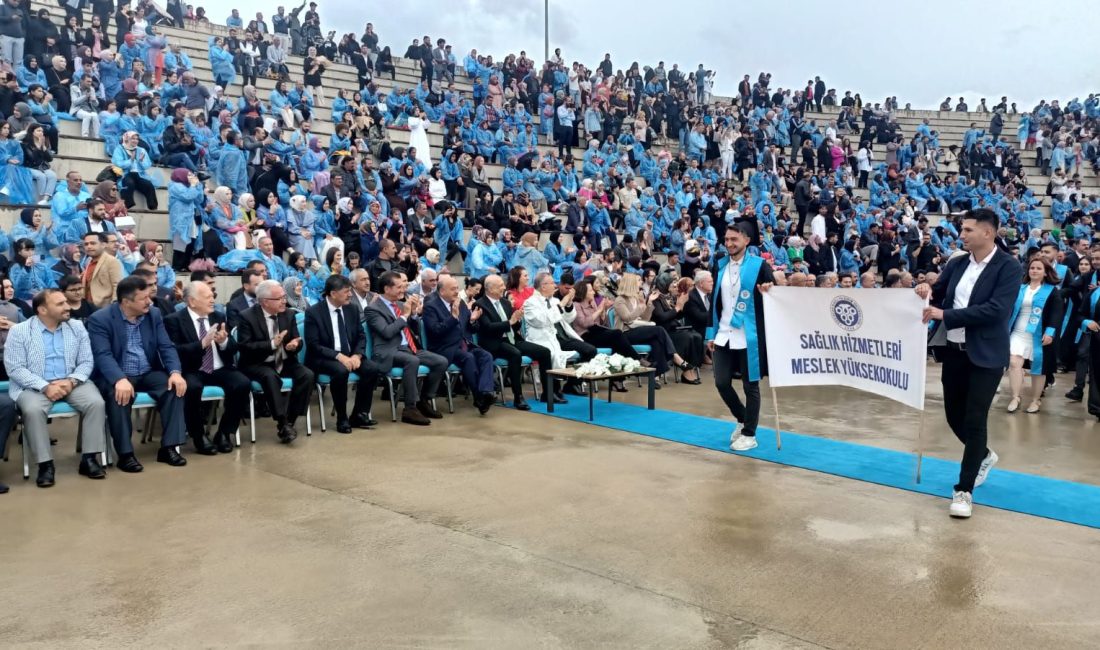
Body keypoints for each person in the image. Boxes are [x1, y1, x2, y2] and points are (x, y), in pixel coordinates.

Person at [915, 208, 1022, 519]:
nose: (961, 235)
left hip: (986, 355)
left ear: (987, 233)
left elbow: (996, 310)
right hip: (954, 351)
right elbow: (938, 294)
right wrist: (926, 290)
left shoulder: (1008, 267)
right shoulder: (958, 262)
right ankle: (984, 455)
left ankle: (963, 490)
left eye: (967, 230)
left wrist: (944, 315)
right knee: (953, 416)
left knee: (975, 420)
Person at [4, 288, 107, 487]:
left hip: (72, 382)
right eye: (60, 304)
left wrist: (72, 381)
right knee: (33, 410)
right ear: (42, 310)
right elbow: (15, 368)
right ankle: (45, 465)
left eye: (65, 302)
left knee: (96, 402)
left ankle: (89, 459)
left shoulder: (76, 327)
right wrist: (44, 386)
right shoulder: (20, 331)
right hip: (33, 385)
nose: (67, 307)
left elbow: (86, 361)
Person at [87, 275, 190, 472]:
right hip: (118, 373)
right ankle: (125, 454)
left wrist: (175, 372)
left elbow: (166, 347)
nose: (150, 302)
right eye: (144, 299)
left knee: (174, 388)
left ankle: (169, 447)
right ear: (126, 301)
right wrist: (119, 379)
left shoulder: (153, 314)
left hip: (147, 371)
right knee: (119, 396)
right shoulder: (100, 319)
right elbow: (103, 355)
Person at [705, 222, 775, 453]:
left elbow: (773, 292)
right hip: (723, 333)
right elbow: (714, 302)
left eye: (734, 239)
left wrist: (769, 290)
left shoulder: (759, 266)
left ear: (746, 240)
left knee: (750, 385)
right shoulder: (720, 265)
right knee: (721, 382)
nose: (729, 244)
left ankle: (749, 433)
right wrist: (710, 333)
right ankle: (743, 418)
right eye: (726, 239)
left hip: (750, 336)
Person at [164, 281, 252, 455]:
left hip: (219, 367)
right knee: (192, 388)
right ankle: (199, 436)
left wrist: (224, 342)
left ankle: (225, 433)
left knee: (242, 383)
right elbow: (175, 351)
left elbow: (234, 348)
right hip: (192, 369)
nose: (213, 299)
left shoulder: (218, 316)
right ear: (192, 301)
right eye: (208, 297)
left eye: (213, 296)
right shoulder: (174, 320)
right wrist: (202, 344)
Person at [235, 279, 315, 443]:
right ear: (265, 301)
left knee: (307, 375)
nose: (284, 301)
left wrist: (295, 345)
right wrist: (272, 344)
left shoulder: (288, 314)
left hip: (285, 360)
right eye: (279, 298)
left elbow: (297, 339)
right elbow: (245, 347)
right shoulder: (247, 317)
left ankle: (289, 421)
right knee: (270, 377)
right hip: (257, 363)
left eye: (284, 297)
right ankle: (282, 421)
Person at [364, 270, 448, 426]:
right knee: (412, 361)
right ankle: (410, 408)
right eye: (399, 287)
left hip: (409, 347)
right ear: (387, 289)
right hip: (389, 350)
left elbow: (413, 328)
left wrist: (414, 314)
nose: (403, 290)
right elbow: (387, 332)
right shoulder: (373, 309)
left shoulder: (402, 304)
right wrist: (404, 315)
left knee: (441, 361)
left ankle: (424, 399)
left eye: (403, 287)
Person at [303, 274, 379, 433]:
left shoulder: (351, 308)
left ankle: (359, 414)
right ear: (332, 294)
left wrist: (357, 355)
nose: (350, 295)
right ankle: (342, 417)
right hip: (324, 357)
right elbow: (313, 345)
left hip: (350, 355)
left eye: (350, 291)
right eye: (346, 291)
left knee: (371, 368)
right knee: (340, 371)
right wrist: (339, 356)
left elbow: (360, 336)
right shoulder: (314, 312)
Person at [474, 273, 554, 407]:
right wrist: (510, 322)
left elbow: (513, 325)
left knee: (544, 352)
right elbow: (487, 328)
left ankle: (548, 393)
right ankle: (518, 396)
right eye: (500, 286)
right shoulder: (480, 304)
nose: (504, 287)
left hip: (512, 339)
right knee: (515, 354)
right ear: (490, 289)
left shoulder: (505, 303)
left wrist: (517, 319)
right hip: (494, 343)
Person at [422, 274, 497, 414]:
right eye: (452, 289)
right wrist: (453, 317)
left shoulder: (460, 303)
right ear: (442, 291)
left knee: (486, 355)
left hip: (464, 344)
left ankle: (486, 392)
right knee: (468, 358)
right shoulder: (431, 306)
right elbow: (435, 331)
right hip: (444, 347)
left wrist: (473, 320)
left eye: (457, 288)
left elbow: (472, 329)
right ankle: (479, 397)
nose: (457, 292)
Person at [1006, 258, 1064, 414]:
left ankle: (1035, 400)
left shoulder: (1052, 291)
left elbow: (1056, 313)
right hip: (1018, 332)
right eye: (1032, 268)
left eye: (1039, 268)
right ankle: (1015, 397)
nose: (1034, 271)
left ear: (1045, 272)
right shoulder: (1020, 288)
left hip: (1038, 334)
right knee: (1014, 363)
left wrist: (1050, 332)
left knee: (1038, 369)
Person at [612, 273, 693, 383]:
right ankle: (677, 359)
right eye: (639, 280)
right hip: (625, 333)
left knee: (656, 341)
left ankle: (654, 376)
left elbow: (645, 319)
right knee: (659, 330)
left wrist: (649, 303)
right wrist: (641, 306)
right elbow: (627, 318)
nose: (641, 282)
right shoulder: (620, 300)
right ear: (631, 283)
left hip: (637, 329)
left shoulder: (636, 298)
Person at [80, 230, 122, 309]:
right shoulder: (89, 261)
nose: (89, 246)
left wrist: (114, 306)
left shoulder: (111, 261)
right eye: (86, 244)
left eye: (93, 243)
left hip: (104, 307)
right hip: (88, 306)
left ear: (103, 245)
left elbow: (117, 285)